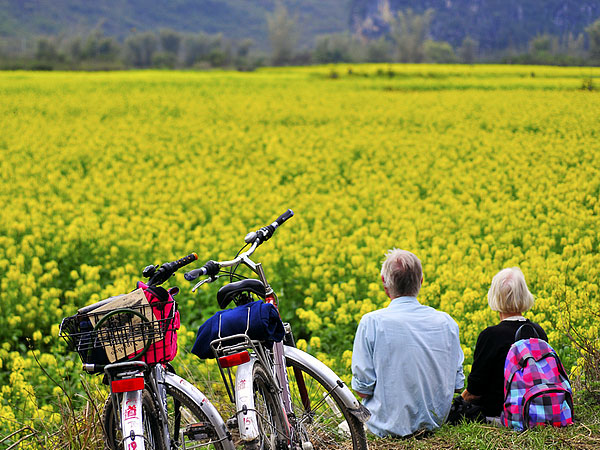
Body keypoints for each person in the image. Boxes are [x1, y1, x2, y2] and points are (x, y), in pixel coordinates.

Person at [351, 249, 465, 437]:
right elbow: (458, 386)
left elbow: (362, 390)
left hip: (384, 429)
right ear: (421, 282)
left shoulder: (371, 322)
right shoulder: (447, 323)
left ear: (384, 283)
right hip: (436, 425)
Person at [460, 267, 547, 420]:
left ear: (494, 296)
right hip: (535, 411)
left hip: (499, 415)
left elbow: (475, 391)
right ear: (525, 295)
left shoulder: (490, 336)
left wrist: (456, 403)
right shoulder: (538, 332)